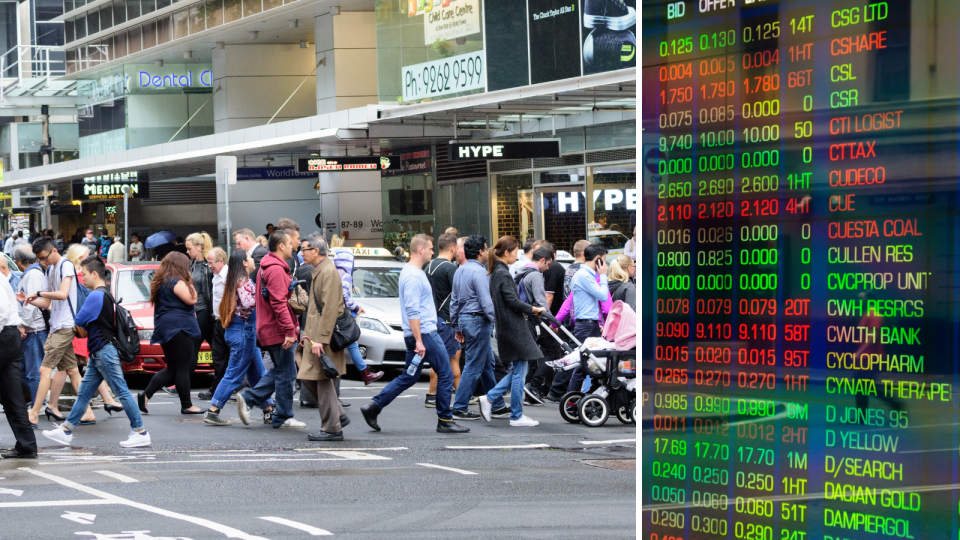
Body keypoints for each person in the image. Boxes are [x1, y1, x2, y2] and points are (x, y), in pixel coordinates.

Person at [360, 234, 469, 434]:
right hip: (425, 334)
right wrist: (419, 340)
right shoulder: (412, 275)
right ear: (421, 250)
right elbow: (412, 310)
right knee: (445, 373)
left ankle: (374, 406)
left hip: (421, 334)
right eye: (429, 248)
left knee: (410, 376)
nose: (432, 251)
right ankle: (445, 419)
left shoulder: (414, 272)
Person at [42, 256, 150, 448]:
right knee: (84, 393)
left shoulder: (95, 296)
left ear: (94, 274)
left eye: (84, 274)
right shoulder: (104, 293)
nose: (82, 278)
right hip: (99, 352)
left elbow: (78, 322)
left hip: (103, 352)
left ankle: (141, 431)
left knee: (122, 391)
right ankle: (66, 430)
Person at [19, 237, 97, 427]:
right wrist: (28, 299)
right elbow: (47, 304)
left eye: (44, 257)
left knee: (45, 369)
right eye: (39, 259)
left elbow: (62, 294)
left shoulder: (65, 265)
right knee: (71, 370)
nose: (42, 262)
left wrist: (38, 294)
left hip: (65, 326)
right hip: (57, 325)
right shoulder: (51, 269)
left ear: (53, 251)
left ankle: (34, 413)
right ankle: (87, 412)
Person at [236, 230, 306, 429]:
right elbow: (279, 303)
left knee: (282, 370)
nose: (294, 246)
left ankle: (252, 400)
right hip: (278, 330)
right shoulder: (275, 269)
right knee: (286, 373)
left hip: (270, 328)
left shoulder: (265, 267)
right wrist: (289, 330)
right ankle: (281, 414)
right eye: (291, 243)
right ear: (281, 246)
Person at [478, 236, 545, 428]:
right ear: (506, 253)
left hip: (507, 326)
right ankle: (516, 415)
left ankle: (489, 398)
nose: (517, 256)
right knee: (519, 372)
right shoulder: (503, 273)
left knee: (519, 369)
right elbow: (512, 301)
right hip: (513, 327)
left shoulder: (496, 271)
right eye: (515, 252)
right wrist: (533, 309)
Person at [203, 251, 272, 426]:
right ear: (244, 263)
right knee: (233, 373)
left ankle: (268, 410)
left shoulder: (235, 280)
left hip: (241, 332)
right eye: (249, 257)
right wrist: (263, 297)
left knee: (258, 374)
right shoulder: (243, 281)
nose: (252, 260)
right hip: (243, 332)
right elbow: (248, 303)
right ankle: (213, 410)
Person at [297, 233, 351, 441]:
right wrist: (309, 336)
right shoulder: (319, 271)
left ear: (316, 251)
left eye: (304, 250)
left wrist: (319, 339)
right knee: (308, 375)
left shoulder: (327, 272)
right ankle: (337, 415)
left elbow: (329, 310)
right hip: (315, 335)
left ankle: (332, 428)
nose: (301, 254)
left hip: (323, 336)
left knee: (323, 379)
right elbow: (315, 309)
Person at [138, 252, 205, 415]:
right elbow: (193, 298)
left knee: (173, 369)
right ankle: (187, 405)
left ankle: (146, 395)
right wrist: (189, 280)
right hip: (179, 327)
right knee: (183, 368)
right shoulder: (176, 281)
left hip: (166, 327)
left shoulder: (162, 281)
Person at [449, 235, 506, 420]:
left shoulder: (460, 270)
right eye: (486, 247)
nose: (488, 251)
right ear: (481, 251)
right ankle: (459, 407)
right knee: (473, 365)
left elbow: (454, 302)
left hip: (466, 320)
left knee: (487, 364)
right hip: (479, 320)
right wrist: (498, 322)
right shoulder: (480, 272)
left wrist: (456, 325)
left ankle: (495, 403)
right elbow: (486, 302)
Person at [0, 256, 38, 459]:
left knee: (12, 395)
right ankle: (27, 444)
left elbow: (1, 312)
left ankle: (27, 444)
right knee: (12, 395)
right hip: (11, 336)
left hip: (3, 335)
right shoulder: (3, 280)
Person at [331, 247, 384, 385]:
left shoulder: (334, 273)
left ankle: (365, 373)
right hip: (342, 316)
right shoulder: (346, 276)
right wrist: (356, 307)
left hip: (333, 315)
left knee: (346, 345)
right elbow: (345, 297)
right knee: (352, 344)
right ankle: (365, 374)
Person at [564, 244, 610, 393]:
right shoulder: (584, 275)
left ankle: (590, 397)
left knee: (594, 363)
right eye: (603, 260)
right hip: (586, 325)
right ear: (597, 260)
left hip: (590, 324)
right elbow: (603, 296)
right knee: (584, 365)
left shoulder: (586, 275)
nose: (605, 264)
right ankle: (572, 401)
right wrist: (603, 275)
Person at [423, 233, 461, 410]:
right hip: (447, 319)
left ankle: (458, 394)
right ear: (453, 248)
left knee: (447, 357)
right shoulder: (450, 268)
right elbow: (458, 295)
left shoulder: (428, 266)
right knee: (448, 358)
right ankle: (435, 394)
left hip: (433, 316)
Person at [514, 244, 555, 406]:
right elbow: (541, 301)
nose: (548, 268)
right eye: (549, 264)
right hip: (535, 320)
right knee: (554, 352)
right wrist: (552, 321)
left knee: (530, 358)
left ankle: (530, 390)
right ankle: (534, 385)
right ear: (543, 260)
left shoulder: (521, 272)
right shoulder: (536, 275)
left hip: (524, 319)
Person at [13, 245, 46, 404]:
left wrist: (22, 325)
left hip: (34, 330)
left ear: (19, 261)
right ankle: (37, 403)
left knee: (33, 372)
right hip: (32, 328)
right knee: (28, 371)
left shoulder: (32, 276)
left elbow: (30, 304)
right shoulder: (30, 274)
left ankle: (38, 405)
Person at [199, 247, 229, 401]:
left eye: (211, 263)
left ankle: (218, 390)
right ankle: (217, 388)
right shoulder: (215, 276)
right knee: (218, 357)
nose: (209, 266)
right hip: (217, 321)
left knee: (229, 358)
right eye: (208, 263)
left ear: (221, 261)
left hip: (228, 322)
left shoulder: (229, 276)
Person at [185, 232, 214, 376]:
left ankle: (183, 383)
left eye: (189, 249)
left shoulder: (208, 266)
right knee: (216, 347)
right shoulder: (191, 264)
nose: (187, 251)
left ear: (199, 247)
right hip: (194, 311)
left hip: (204, 311)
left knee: (193, 347)